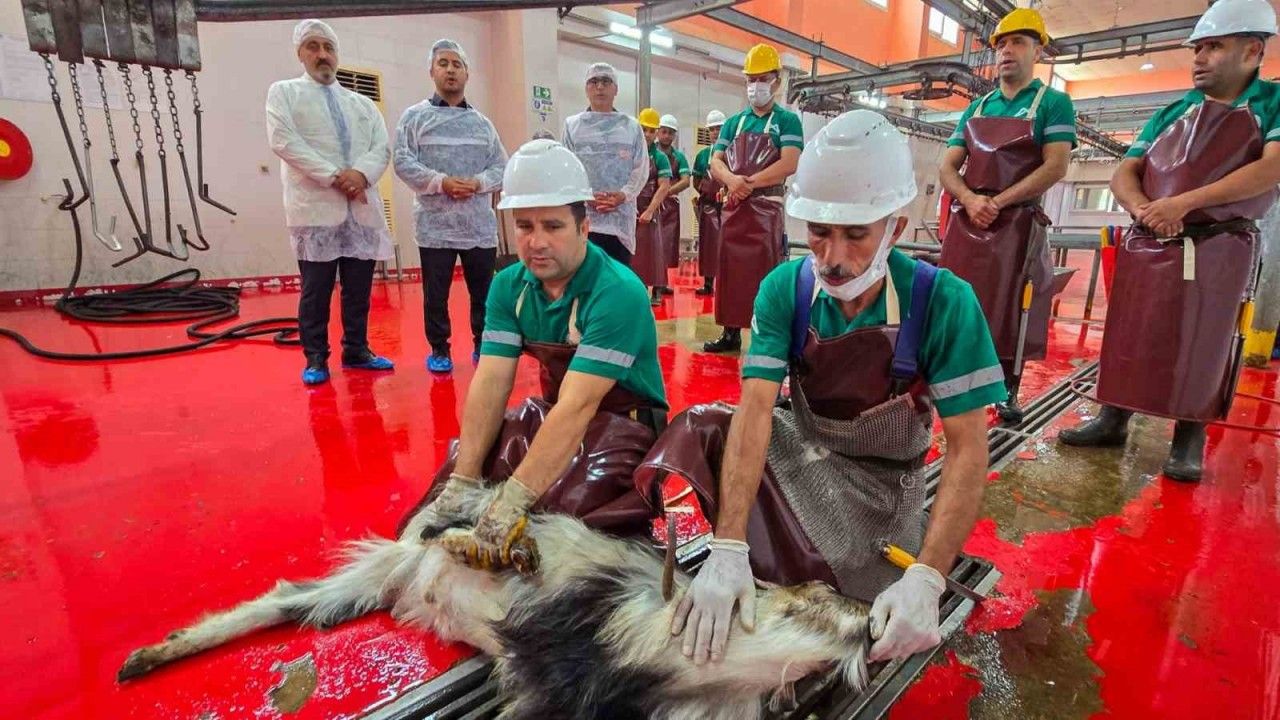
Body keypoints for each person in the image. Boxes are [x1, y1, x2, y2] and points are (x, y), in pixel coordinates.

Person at [635, 110, 1003, 666]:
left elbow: (968, 449)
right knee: (703, 427)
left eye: (856, 235)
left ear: (895, 229)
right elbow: (756, 411)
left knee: (850, 585)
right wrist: (727, 544)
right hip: (804, 450)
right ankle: (745, 561)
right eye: (820, 232)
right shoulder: (786, 288)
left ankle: (792, 560)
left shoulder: (943, 302)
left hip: (883, 487)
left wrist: (928, 577)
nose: (832, 258)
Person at [407, 139, 670, 563]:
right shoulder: (508, 286)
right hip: (557, 413)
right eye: (525, 226)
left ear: (584, 228)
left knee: (561, 513)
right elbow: (491, 381)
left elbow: (579, 405)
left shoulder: (618, 292)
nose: (537, 242)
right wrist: (464, 483)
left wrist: (513, 502)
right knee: (463, 468)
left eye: (553, 226)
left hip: (625, 426)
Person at [1059, 0, 1280, 482]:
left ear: (1252, 50)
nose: (1199, 58)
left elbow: (1271, 168)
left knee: (1204, 339)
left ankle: (1188, 436)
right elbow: (1125, 171)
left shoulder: (1271, 103)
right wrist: (1144, 208)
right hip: (1150, 241)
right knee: (1129, 333)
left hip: (1218, 246)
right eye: (1197, 48)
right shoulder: (1172, 112)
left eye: (1214, 47)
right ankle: (1113, 417)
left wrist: (1183, 204)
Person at [937, 7, 1076, 423]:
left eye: (1018, 42)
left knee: (1014, 306)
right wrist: (969, 199)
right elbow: (948, 166)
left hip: (1017, 225)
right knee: (956, 300)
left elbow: (1055, 166)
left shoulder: (1053, 103)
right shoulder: (978, 107)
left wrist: (998, 202)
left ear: (1038, 51)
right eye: (1001, 44)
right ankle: (946, 378)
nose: (1007, 51)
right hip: (968, 221)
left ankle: (1006, 389)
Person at [266, 19, 396, 385]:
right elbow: (283, 141)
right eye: (313, 46)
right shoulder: (284, 93)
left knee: (359, 290)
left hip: (361, 209)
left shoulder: (363, 104)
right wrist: (336, 176)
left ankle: (356, 349)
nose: (322, 54)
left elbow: (381, 147)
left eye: (328, 47)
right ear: (300, 53)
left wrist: (361, 175)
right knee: (316, 291)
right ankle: (316, 357)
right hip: (315, 209)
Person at [394, 39, 508, 374]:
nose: (450, 70)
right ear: (431, 71)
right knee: (436, 294)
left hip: (477, 225)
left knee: (483, 292)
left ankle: (483, 344)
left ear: (467, 74)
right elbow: (402, 161)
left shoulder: (482, 124)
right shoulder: (414, 118)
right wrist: (440, 182)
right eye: (443, 63)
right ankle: (439, 349)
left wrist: (477, 183)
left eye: (457, 64)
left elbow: (501, 166)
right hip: (435, 226)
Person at [704, 44, 804, 353]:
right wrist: (732, 181)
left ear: (776, 81)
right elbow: (715, 161)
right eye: (751, 79)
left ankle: (767, 337)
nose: (755, 85)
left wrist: (749, 183)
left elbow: (789, 163)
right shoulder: (734, 122)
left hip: (766, 210)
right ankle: (730, 332)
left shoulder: (787, 121)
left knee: (766, 276)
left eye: (762, 79)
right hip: (735, 208)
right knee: (731, 272)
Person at [562, 63, 650, 267]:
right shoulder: (572, 126)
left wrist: (624, 195)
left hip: (620, 222)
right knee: (584, 278)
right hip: (583, 219)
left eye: (606, 81)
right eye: (594, 81)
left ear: (616, 89)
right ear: (586, 88)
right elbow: (567, 168)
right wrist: (586, 195)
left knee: (616, 277)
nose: (600, 87)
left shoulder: (631, 127)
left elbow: (640, 168)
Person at [633, 108, 674, 304]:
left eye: (651, 130)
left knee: (654, 251)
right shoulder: (629, 155)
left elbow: (664, 186)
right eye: (644, 129)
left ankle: (657, 290)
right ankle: (636, 289)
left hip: (650, 208)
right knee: (633, 253)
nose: (647, 134)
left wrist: (650, 210)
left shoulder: (660, 158)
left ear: (656, 133)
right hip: (631, 208)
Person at [657, 113, 692, 295]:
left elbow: (686, 181)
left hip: (669, 207)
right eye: (664, 131)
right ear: (658, 132)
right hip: (647, 206)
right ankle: (644, 285)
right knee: (646, 246)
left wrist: (667, 191)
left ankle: (660, 284)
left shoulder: (679, 157)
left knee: (665, 245)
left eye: (670, 133)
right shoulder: (647, 154)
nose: (667, 136)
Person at [693, 109, 726, 296]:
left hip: (727, 207)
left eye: (718, 128)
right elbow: (696, 181)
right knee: (708, 246)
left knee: (727, 246)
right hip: (708, 206)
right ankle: (707, 284)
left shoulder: (731, 154)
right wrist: (706, 192)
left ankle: (726, 284)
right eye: (712, 129)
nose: (715, 132)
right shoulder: (702, 156)